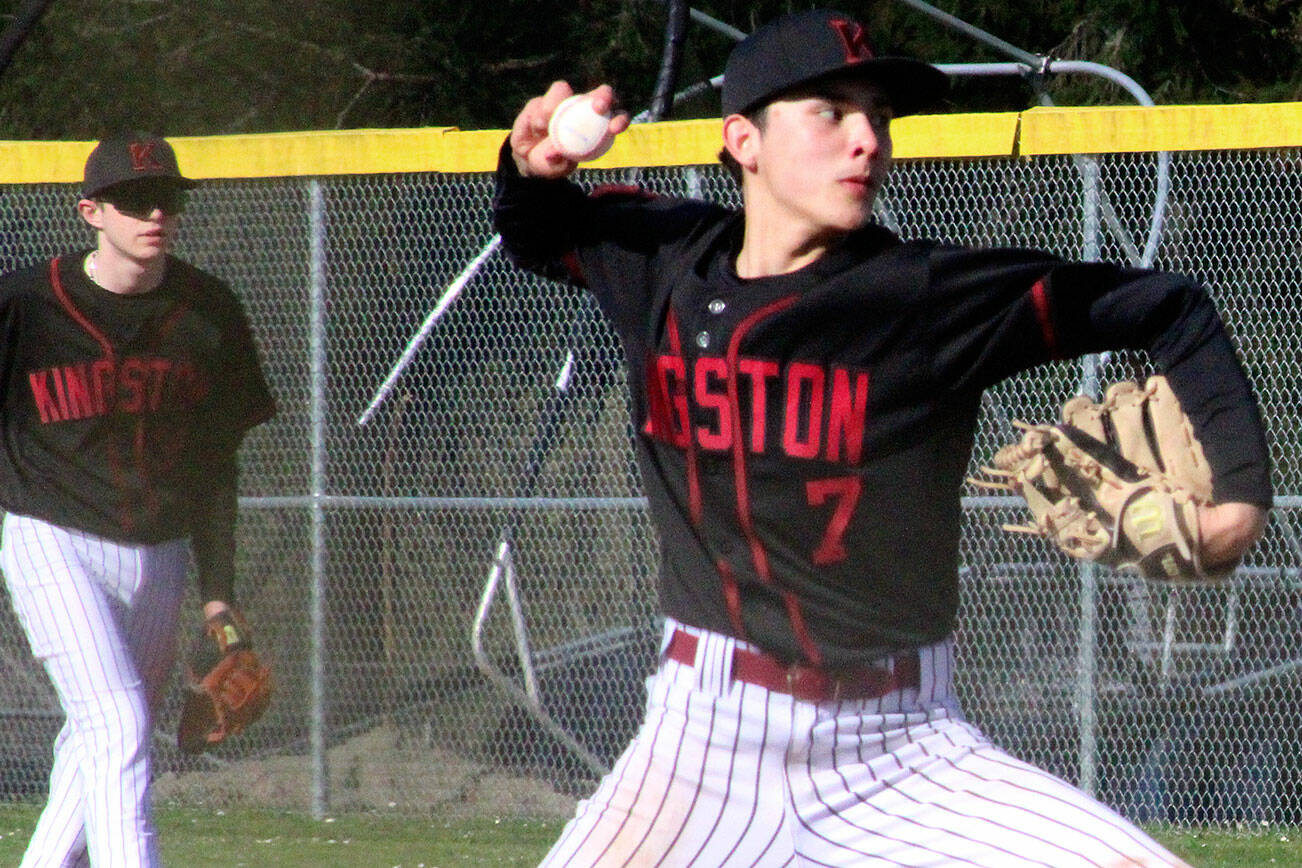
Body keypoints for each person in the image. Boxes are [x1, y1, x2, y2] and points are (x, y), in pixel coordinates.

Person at [493, 8, 1271, 867]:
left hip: (899, 751)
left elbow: (1170, 306)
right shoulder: (660, 258)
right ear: (743, 141)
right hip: (696, 748)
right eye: (829, 111)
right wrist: (530, 167)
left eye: (879, 116)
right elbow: (538, 233)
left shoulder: (921, 295)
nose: (866, 140)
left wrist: (1239, 503)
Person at [0, 132, 276, 867]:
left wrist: (218, 593)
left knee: (100, 738)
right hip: (48, 534)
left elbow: (218, 464)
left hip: (160, 551)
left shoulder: (206, 310)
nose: (154, 212)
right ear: (90, 210)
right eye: (131, 200)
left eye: (167, 198)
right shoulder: (24, 304)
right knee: (118, 724)